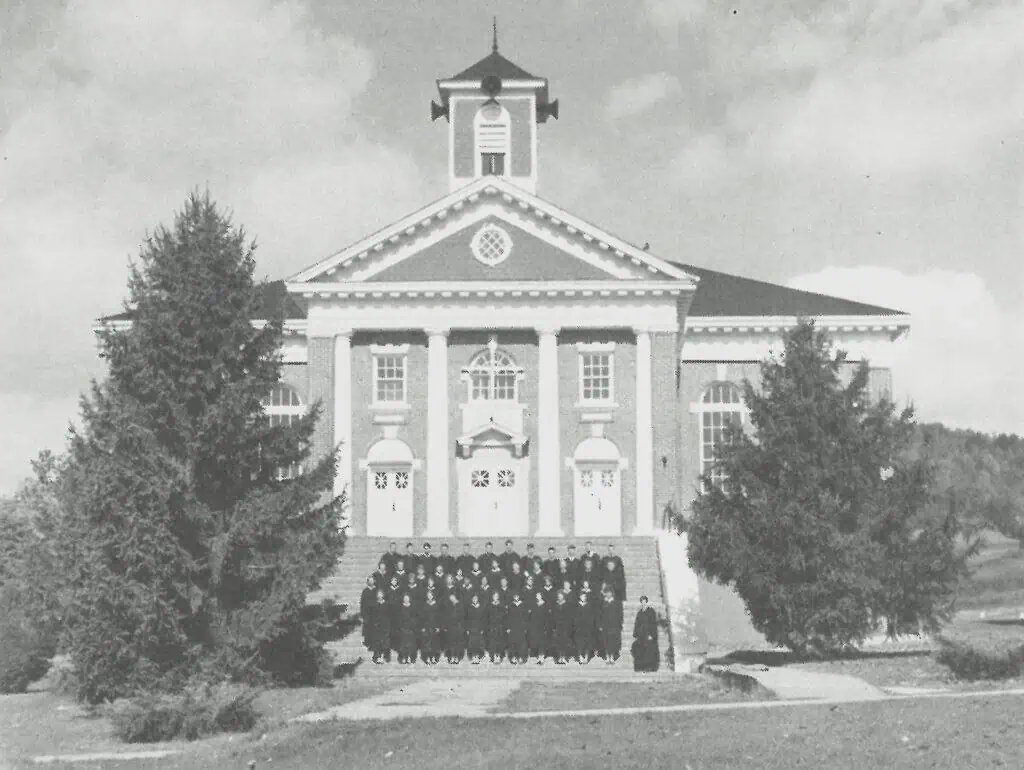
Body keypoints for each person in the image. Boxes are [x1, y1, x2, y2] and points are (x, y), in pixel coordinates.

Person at [632, 596, 660, 672]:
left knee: (649, 651)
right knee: (641, 651)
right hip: (641, 635)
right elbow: (637, 624)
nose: (643, 603)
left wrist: (652, 634)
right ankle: (642, 667)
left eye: (644, 601)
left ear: (646, 602)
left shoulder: (651, 611)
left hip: (649, 634)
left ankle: (650, 667)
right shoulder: (639, 612)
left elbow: (653, 623)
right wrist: (635, 634)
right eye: (642, 602)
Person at [598, 588, 623, 664]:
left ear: (612, 594)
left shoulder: (616, 603)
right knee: (606, 641)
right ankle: (607, 657)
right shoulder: (603, 602)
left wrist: (620, 624)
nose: (608, 594)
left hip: (613, 626)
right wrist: (600, 625)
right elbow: (600, 615)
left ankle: (612, 657)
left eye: (609, 593)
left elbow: (620, 614)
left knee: (612, 642)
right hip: (605, 626)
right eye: (607, 593)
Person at [573, 591, 597, 664]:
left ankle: (586, 657)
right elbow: (575, 617)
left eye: (585, 596)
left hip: (587, 627)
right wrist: (576, 625)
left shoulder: (589, 605)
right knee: (580, 643)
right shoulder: (577, 606)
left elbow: (592, 617)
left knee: (587, 643)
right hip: (579, 628)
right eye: (582, 596)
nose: (583, 598)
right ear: (580, 597)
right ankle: (580, 657)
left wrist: (590, 625)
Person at [419, 590, 441, 665]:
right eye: (428, 595)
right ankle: (427, 658)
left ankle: (433, 657)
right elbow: (421, 617)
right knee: (426, 643)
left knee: (434, 643)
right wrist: (422, 626)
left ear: (433, 595)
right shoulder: (424, 604)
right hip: (426, 626)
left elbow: (438, 616)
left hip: (434, 626)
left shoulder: (436, 604)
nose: (429, 596)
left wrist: (438, 626)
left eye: (431, 595)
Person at [442, 592, 465, 664]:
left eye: (452, 598)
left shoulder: (460, 605)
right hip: (451, 627)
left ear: (455, 597)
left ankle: (457, 658)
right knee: (451, 643)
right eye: (450, 598)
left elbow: (462, 616)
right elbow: (447, 616)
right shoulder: (450, 606)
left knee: (458, 643)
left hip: (458, 626)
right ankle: (452, 657)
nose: (451, 599)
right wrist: (446, 626)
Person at [369, 589, 391, 663]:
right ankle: (377, 656)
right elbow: (372, 615)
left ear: (383, 595)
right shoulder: (374, 605)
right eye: (378, 595)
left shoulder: (387, 604)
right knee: (377, 642)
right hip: (377, 626)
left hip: (385, 625)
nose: (380, 596)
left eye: (381, 595)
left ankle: (386, 656)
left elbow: (389, 615)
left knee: (385, 641)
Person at [506, 592, 528, 665]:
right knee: (512, 643)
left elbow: (526, 617)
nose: (516, 597)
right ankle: (513, 657)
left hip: (521, 627)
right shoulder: (511, 605)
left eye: (517, 595)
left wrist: (525, 627)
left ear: (519, 596)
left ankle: (521, 657)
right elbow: (508, 617)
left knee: (521, 643)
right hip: (512, 627)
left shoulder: (523, 605)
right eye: (514, 596)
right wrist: (508, 627)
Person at [552, 591, 574, 665]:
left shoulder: (567, 604)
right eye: (559, 596)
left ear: (563, 596)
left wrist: (568, 625)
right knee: (558, 643)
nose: (560, 597)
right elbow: (554, 615)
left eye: (561, 596)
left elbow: (569, 616)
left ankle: (564, 658)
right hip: (558, 626)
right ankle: (559, 658)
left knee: (564, 642)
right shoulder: (556, 604)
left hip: (564, 626)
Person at [528, 591, 549, 665]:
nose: (537, 597)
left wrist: (546, 627)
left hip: (542, 626)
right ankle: (539, 657)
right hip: (535, 626)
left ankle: (541, 658)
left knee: (542, 642)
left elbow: (547, 617)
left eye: (538, 595)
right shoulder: (534, 604)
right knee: (536, 641)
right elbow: (531, 616)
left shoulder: (545, 605)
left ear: (541, 596)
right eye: (536, 595)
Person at [465, 593, 487, 664]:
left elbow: (483, 619)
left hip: (479, 628)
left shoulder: (481, 607)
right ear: (472, 600)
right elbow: (467, 619)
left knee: (479, 643)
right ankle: (474, 657)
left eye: (476, 598)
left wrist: (482, 628)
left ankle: (479, 656)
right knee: (472, 643)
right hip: (471, 628)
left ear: (478, 599)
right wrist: (467, 629)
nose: (475, 600)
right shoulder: (469, 607)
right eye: (473, 599)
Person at [486, 591, 507, 664]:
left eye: (497, 596)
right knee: (492, 642)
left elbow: (504, 616)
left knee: (500, 642)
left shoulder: (501, 605)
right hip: (492, 626)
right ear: (492, 597)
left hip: (499, 626)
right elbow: (487, 616)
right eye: (494, 596)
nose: (495, 598)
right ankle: (493, 656)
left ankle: (498, 656)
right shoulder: (489, 605)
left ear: (498, 597)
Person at [396, 594, 417, 665]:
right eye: (405, 598)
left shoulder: (413, 607)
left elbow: (415, 617)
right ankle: (404, 658)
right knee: (403, 645)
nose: (406, 599)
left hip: (411, 629)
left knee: (411, 645)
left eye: (407, 598)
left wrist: (412, 624)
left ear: (409, 599)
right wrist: (401, 627)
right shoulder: (401, 607)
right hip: (403, 629)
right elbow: (399, 618)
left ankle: (410, 658)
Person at [360, 577, 377, 653]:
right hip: (367, 613)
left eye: (372, 581)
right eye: (369, 581)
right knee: (367, 629)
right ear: (367, 582)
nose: (371, 582)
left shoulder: (376, 590)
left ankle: (373, 645)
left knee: (374, 629)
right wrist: (362, 613)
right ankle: (367, 643)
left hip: (374, 613)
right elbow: (362, 603)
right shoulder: (365, 591)